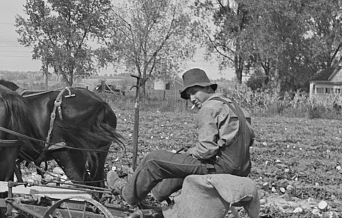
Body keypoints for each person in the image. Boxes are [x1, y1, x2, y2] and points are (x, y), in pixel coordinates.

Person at [107, 68, 255, 207]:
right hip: (241, 170)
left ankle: (127, 194)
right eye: (189, 95)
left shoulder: (209, 108)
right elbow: (249, 140)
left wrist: (190, 152)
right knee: (180, 163)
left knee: (154, 159)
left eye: (195, 92)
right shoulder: (237, 108)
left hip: (220, 169)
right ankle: (156, 194)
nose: (191, 98)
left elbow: (206, 151)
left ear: (209, 88)